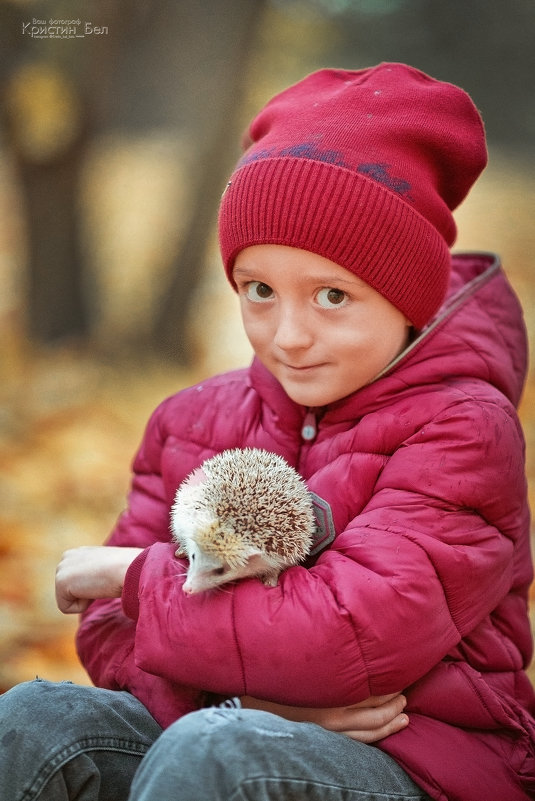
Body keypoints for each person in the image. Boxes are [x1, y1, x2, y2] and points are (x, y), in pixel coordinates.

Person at [1, 62, 534, 801]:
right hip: (221, 728)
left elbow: (348, 638)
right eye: (259, 290)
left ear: (407, 295)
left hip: (418, 768)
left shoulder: (463, 431)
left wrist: (132, 574)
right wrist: (254, 703)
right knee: (35, 718)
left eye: (331, 295)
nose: (288, 336)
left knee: (216, 756)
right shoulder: (189, 421)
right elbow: (110, 636)